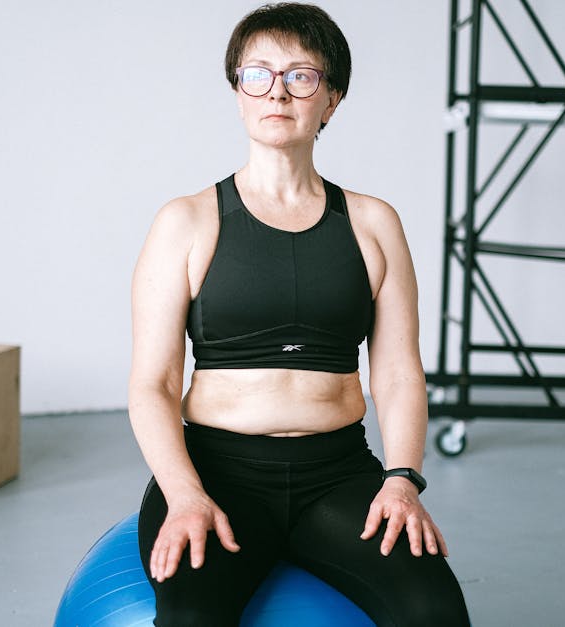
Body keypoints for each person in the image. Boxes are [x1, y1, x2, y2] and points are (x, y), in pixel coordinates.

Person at [128, 3, 470, 625]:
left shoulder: (373, 224)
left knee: (434, 611)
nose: (277, 90)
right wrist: (184, 494)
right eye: (257, 73)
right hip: (216, 472)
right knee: (190, 620)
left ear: (331, 99)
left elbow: (397, 373)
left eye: (301, 75)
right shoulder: (186, 222)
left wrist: (402, 480)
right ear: (237, 93)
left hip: (337, 476)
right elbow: (152, 385)